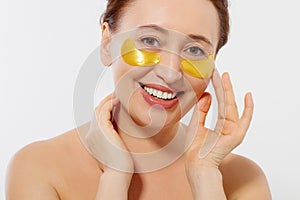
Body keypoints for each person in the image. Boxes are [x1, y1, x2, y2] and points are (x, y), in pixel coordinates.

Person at [5, 0, 272, 199]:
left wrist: (206, 179)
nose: (169, 71)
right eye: (149, 40)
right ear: (108, 43)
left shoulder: (242, 179)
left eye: (194, 49)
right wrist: (115, 179)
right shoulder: (39, 167)